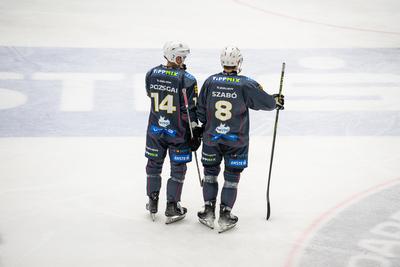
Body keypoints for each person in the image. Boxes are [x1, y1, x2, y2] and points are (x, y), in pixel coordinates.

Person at [196, 46, 284, 232]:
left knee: (210, 173)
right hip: (236, 141)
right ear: (239, 62)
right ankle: (226, 214)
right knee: (232, 177)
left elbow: (201, 110)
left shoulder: (210, 81)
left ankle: (208, 210)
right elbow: (267, 103)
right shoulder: (246, 84)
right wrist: (275, 100)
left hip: (211, 138)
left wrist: (202, 127)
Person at [144, 41, 199, 224]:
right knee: (178, 168)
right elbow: (190, 109)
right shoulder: (187, 79)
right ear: (175, 57)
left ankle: (152, 202)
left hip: (155, 130)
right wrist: (194, 133)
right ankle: (172, 205)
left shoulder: (151, 73)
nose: (183, 60)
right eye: (182, 57)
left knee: (153, 165)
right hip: (178, 132)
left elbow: (149, 94)